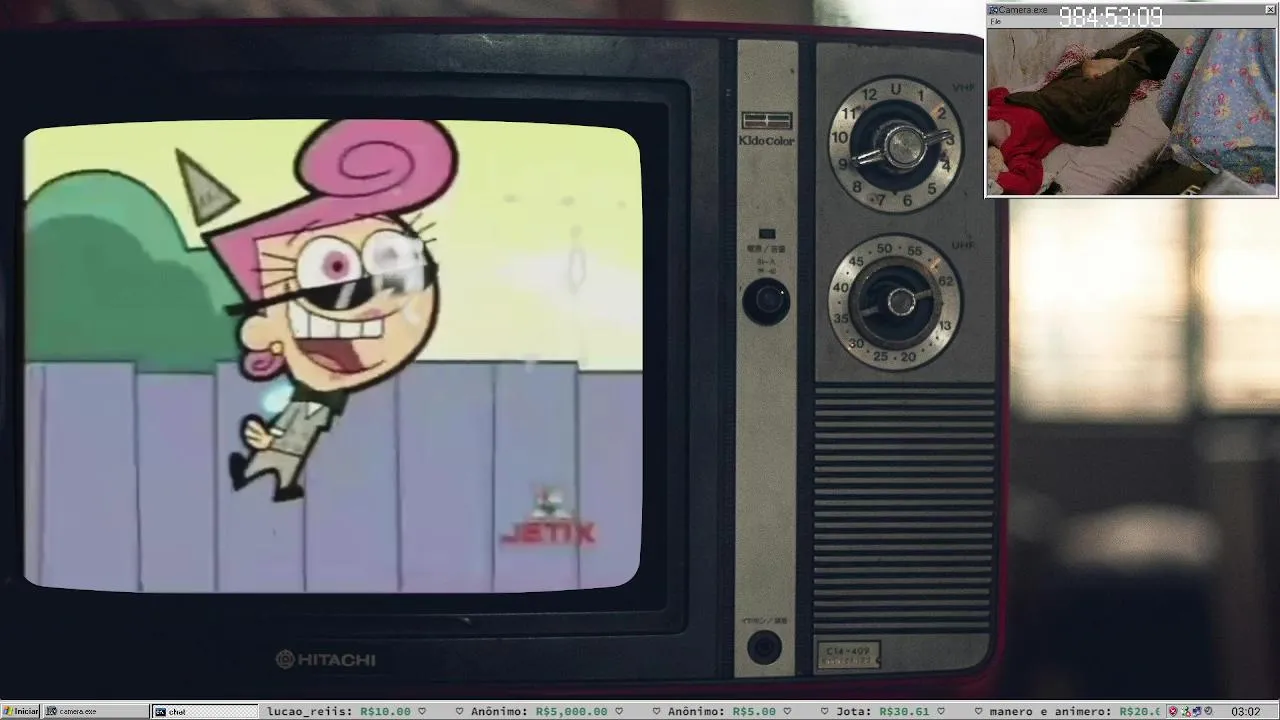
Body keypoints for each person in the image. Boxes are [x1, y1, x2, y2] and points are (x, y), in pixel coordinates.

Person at [207, 119, 458, 501]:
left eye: (395, 271)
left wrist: (270, 439)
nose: (367, 304)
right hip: (312, 408)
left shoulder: (333, 395)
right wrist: (269, 438)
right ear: (263, 328)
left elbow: (300, 433)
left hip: (319, 413)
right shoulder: (311, 382)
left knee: (297, 433)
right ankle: (271, 475)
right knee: (295, 434)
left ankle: (270, 474)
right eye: (332, 276)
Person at [987, 86, 1064, 196]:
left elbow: (1000, 91)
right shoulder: (1013, 151)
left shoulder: (996, 109)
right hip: (1068, 115)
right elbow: (1028, 184)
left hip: (1053, 95)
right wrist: (993, 176)